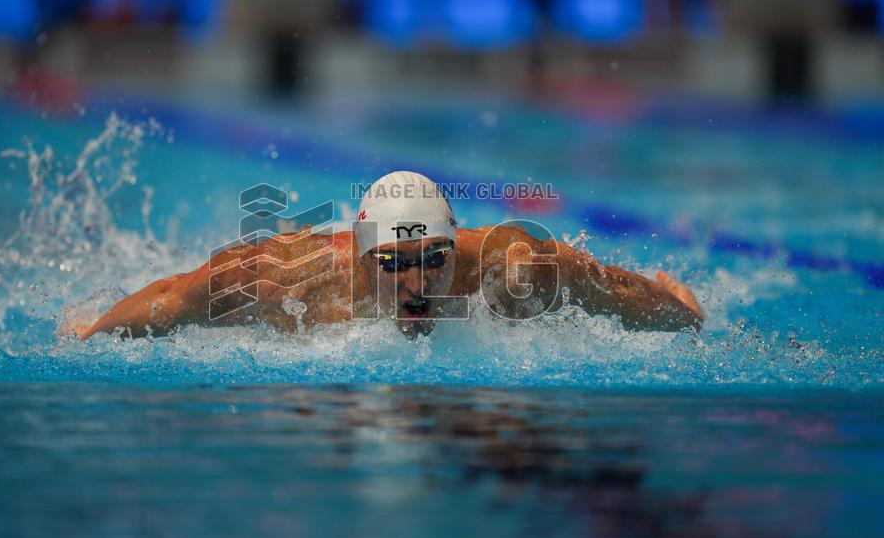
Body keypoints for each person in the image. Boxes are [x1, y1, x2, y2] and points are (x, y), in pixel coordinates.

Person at [73, 171, 703, 341]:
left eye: (434, 259)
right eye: (394, 264)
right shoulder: (292, 278)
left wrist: (683, 311)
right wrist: (87, 335)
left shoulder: (512, 268)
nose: (418, 282)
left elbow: (615, 291)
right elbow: (172, 297)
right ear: (360, 257)